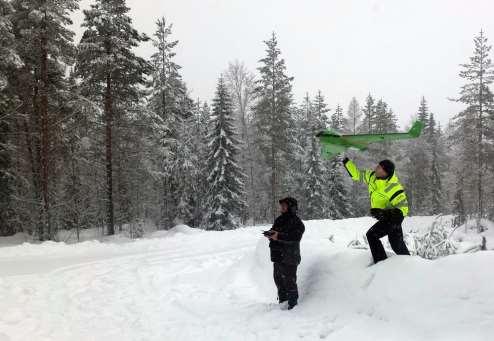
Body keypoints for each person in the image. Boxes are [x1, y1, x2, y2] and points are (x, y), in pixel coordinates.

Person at [342, 158, 410, 264]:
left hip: (394, 218)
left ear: (385, 172)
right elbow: (356, 174)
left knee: (372, 235)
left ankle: (381, 263)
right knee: (396, 244)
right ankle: (410, 263)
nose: (376, 168)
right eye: (377, 165)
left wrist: (384, 213)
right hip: (386, 217)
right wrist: (346, 161)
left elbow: (403, 210)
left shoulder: (394, 187)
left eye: (379, 167)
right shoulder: (372, 177)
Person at [263, 197, 305, 310]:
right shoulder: (279, 219)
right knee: (279, 281)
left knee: (289, 283)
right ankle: (282, 304)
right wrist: (270, 235)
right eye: (281, 205)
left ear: (291, 207)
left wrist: (278, 236)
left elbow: (295, 238)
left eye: (284, 205)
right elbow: (274, 231)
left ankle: (292, 306)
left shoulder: (297, 223)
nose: (281, 207)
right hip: (277, 256)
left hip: (290, 257)